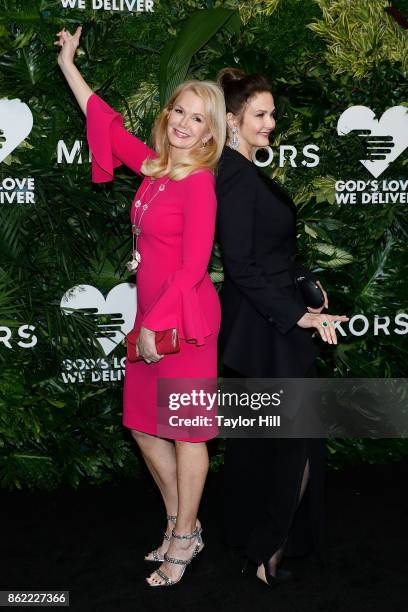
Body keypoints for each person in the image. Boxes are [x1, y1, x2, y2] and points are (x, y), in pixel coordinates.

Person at [55, 25, 226, 588]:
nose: (182, 122)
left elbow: (194, 266)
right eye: (178, 111)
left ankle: (181, 538)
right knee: (145, 426)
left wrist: (153, 325)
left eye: (196, 118)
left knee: (186, 432)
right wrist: (68, 65)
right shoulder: (155, 170)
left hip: (185, 321)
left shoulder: (199, 184)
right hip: (151, 317)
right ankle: (186, 523)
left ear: (210, 130)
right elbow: (107, 123)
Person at [215, 67, 349, 587]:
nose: (272, 122)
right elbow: (242, 266)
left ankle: (260, 543)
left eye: (272, 113)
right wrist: (297, 315)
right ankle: (268, 550)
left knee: (266, 444)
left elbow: (273, 253)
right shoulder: (235, 176)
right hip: (267, 330)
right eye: (261, 114)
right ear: (232, 120)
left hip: (267, 325)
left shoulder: (244, 171)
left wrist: (305, 282)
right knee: (294, 444)